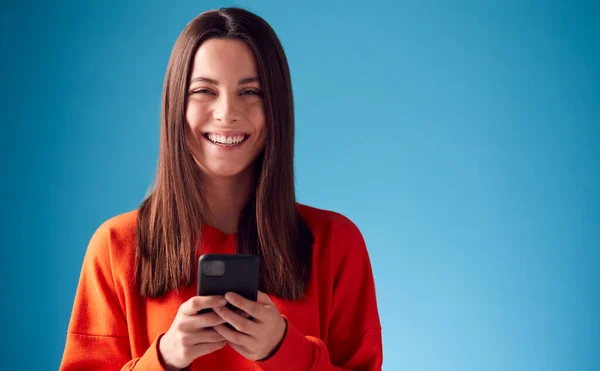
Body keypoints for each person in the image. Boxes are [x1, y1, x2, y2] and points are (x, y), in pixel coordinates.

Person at [59, 7, 382, 371]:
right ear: (175, 106)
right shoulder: (115, 247)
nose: (226, 112)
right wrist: (164, 359)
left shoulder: (337, 242)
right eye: (204, 91)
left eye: (250, 91)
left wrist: (285, 351)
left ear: (276, 108)